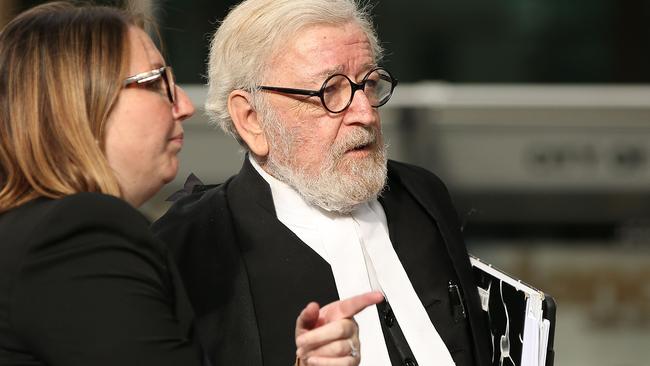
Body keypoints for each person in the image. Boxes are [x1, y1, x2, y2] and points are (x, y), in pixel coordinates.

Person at [0, 2, 381, 366]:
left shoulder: (35, 231)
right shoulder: (78, 235)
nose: (183, 104)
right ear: (80, 103)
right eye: (155, 83)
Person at [152, 0, 492, 365]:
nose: (365, 114)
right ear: (251, 118)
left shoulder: (422, 196)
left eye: (370, 84)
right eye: (330, 91)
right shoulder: (188, 251)